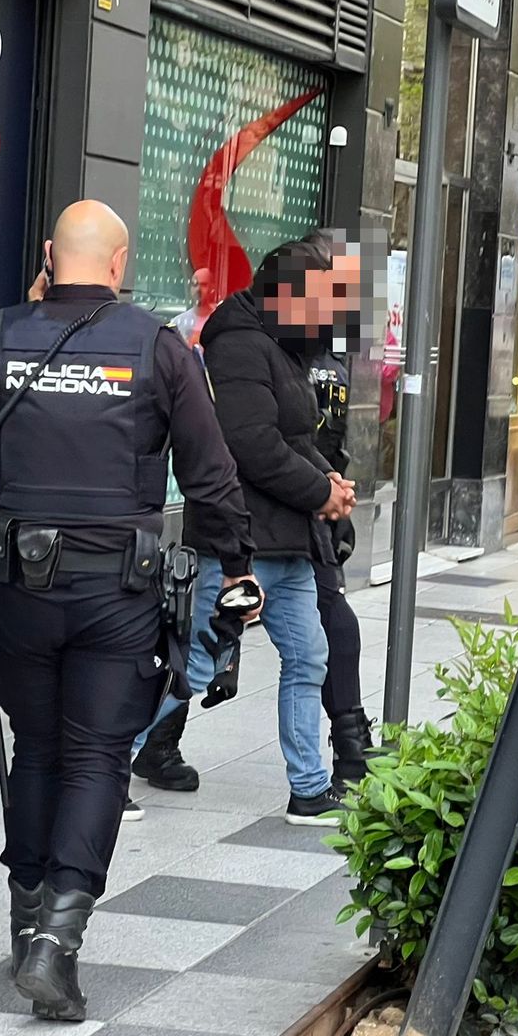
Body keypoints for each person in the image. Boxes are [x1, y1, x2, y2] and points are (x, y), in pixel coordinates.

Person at [0, 200, 259, 1022]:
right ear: (118, 266)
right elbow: (209, 472)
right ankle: (57, 939)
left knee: (38, 746)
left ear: (51, 255)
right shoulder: (158, 350)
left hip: (18, 585)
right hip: (115, 590)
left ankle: (25, 919)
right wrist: (239, 569)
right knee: (95, 757)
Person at [188, 232, 358, 826]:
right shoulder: (239, 346)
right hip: (242, 544)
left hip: (285, 545)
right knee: (199, 663)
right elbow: (250, 445)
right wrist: (321, 493)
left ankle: (308, 788)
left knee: (308, 657)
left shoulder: (283, 346)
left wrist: (331, 482)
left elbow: (295, 437)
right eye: (318, 306)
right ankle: (111, 762)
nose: (326, 321)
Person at [308, 341, 373, 786]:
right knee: (209, 644)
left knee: (338, 629)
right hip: (263, 507)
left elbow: (336, 438)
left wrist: (334, 492)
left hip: (316, 508)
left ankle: (352, 751)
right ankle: (152, 740)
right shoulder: (263, 348)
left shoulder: (335, 356)